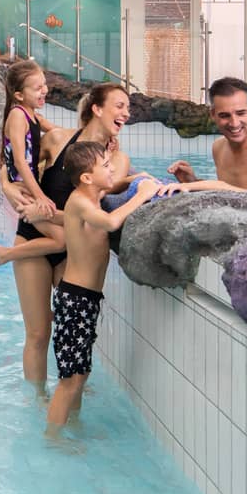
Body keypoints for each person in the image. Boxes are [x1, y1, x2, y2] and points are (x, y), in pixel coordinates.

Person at [0, 83, 147, 395]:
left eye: (128, 108)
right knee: (37, 332)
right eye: (119, 105)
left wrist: (136, 181)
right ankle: (38, 400)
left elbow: (95, 204)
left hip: (73, 249)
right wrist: (7, 187)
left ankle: (67, 390)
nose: (126, 113)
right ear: (97, 109)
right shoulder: (58, 139)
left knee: (66, 329)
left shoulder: (117, 161)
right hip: (34, 239)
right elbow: (15, 162)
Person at [46, 140, 154, 434]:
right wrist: (141, 195)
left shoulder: (91, 194)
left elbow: (114, 186)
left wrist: (135, 179)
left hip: (87, 300)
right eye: (106, 166)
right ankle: (53, 437)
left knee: (81, 373)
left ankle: (73, 424)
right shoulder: (80, 202)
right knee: (69, 379)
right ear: (86, 178)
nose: (112, 169)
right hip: (75, 300)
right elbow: (109, 222)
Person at [169, 77, 247, 191]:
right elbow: (228, 197)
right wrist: (193, 182)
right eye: (224, 116)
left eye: (240, 113)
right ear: (212, 115)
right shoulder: (219, 148)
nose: (234, 123)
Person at [0, 61, 61, 247]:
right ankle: (4, 254)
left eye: (44, 84)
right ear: (19, 95)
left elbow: (63, 134)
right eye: (37, 88)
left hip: (28, 187)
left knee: (63, 230)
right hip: (22, 190)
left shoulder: (34, 116)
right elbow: (19, 161)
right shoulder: (18, 115)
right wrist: (39, 195)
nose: (45, 90)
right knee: (62, 239)